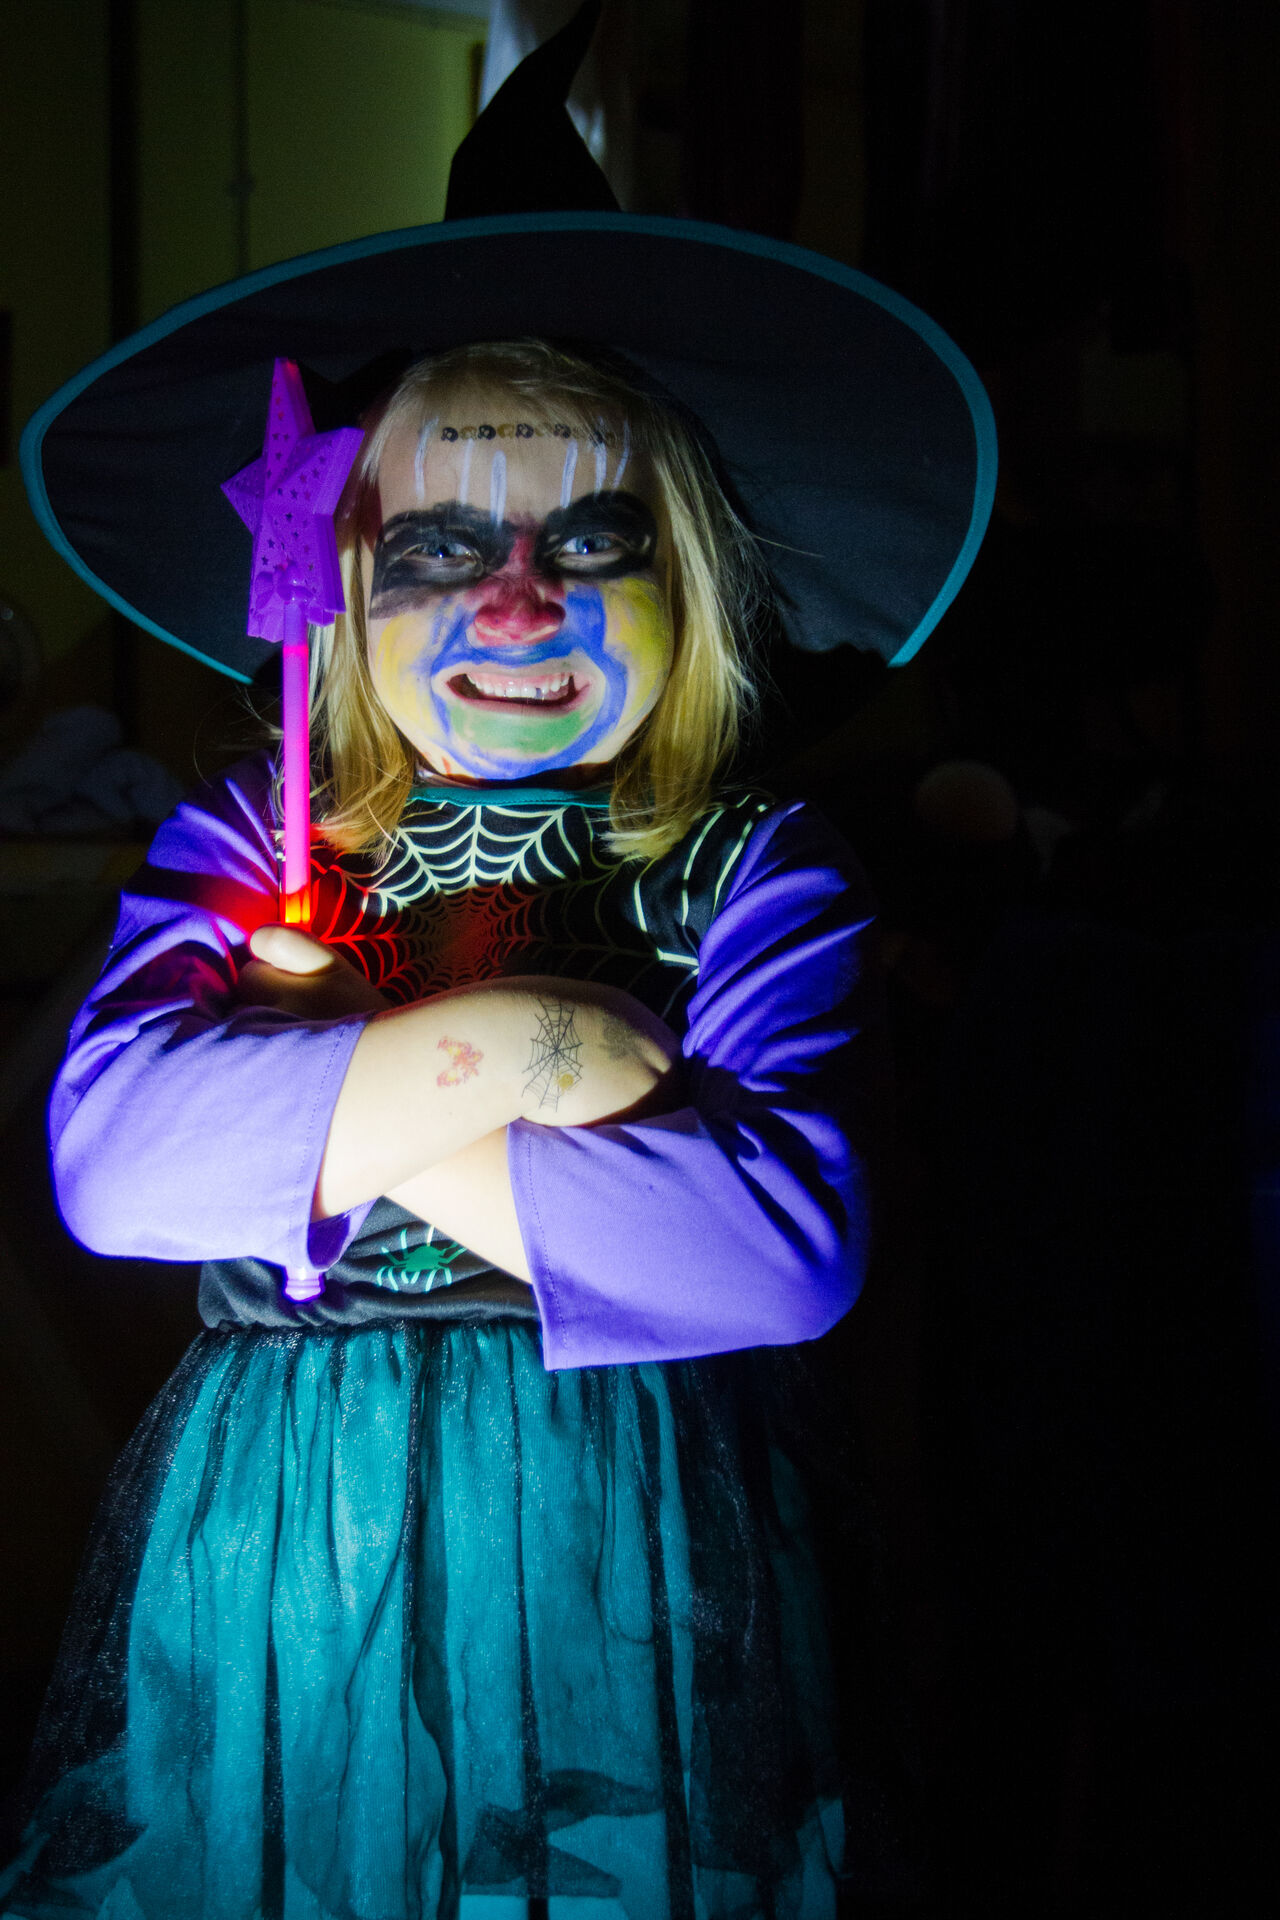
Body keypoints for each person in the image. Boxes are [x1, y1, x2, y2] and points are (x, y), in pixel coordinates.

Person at [3, 11, 995, 1914]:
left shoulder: (755, 867)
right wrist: (553, 1038)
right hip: (289, 1549)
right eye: (440, 550)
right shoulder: (252, 839)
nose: (518, 606)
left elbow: (775, 1254)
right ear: (336, 597)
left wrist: (331, 1111)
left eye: (594, 542)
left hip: (625, 1557)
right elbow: (118, 1169)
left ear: (691, 588)